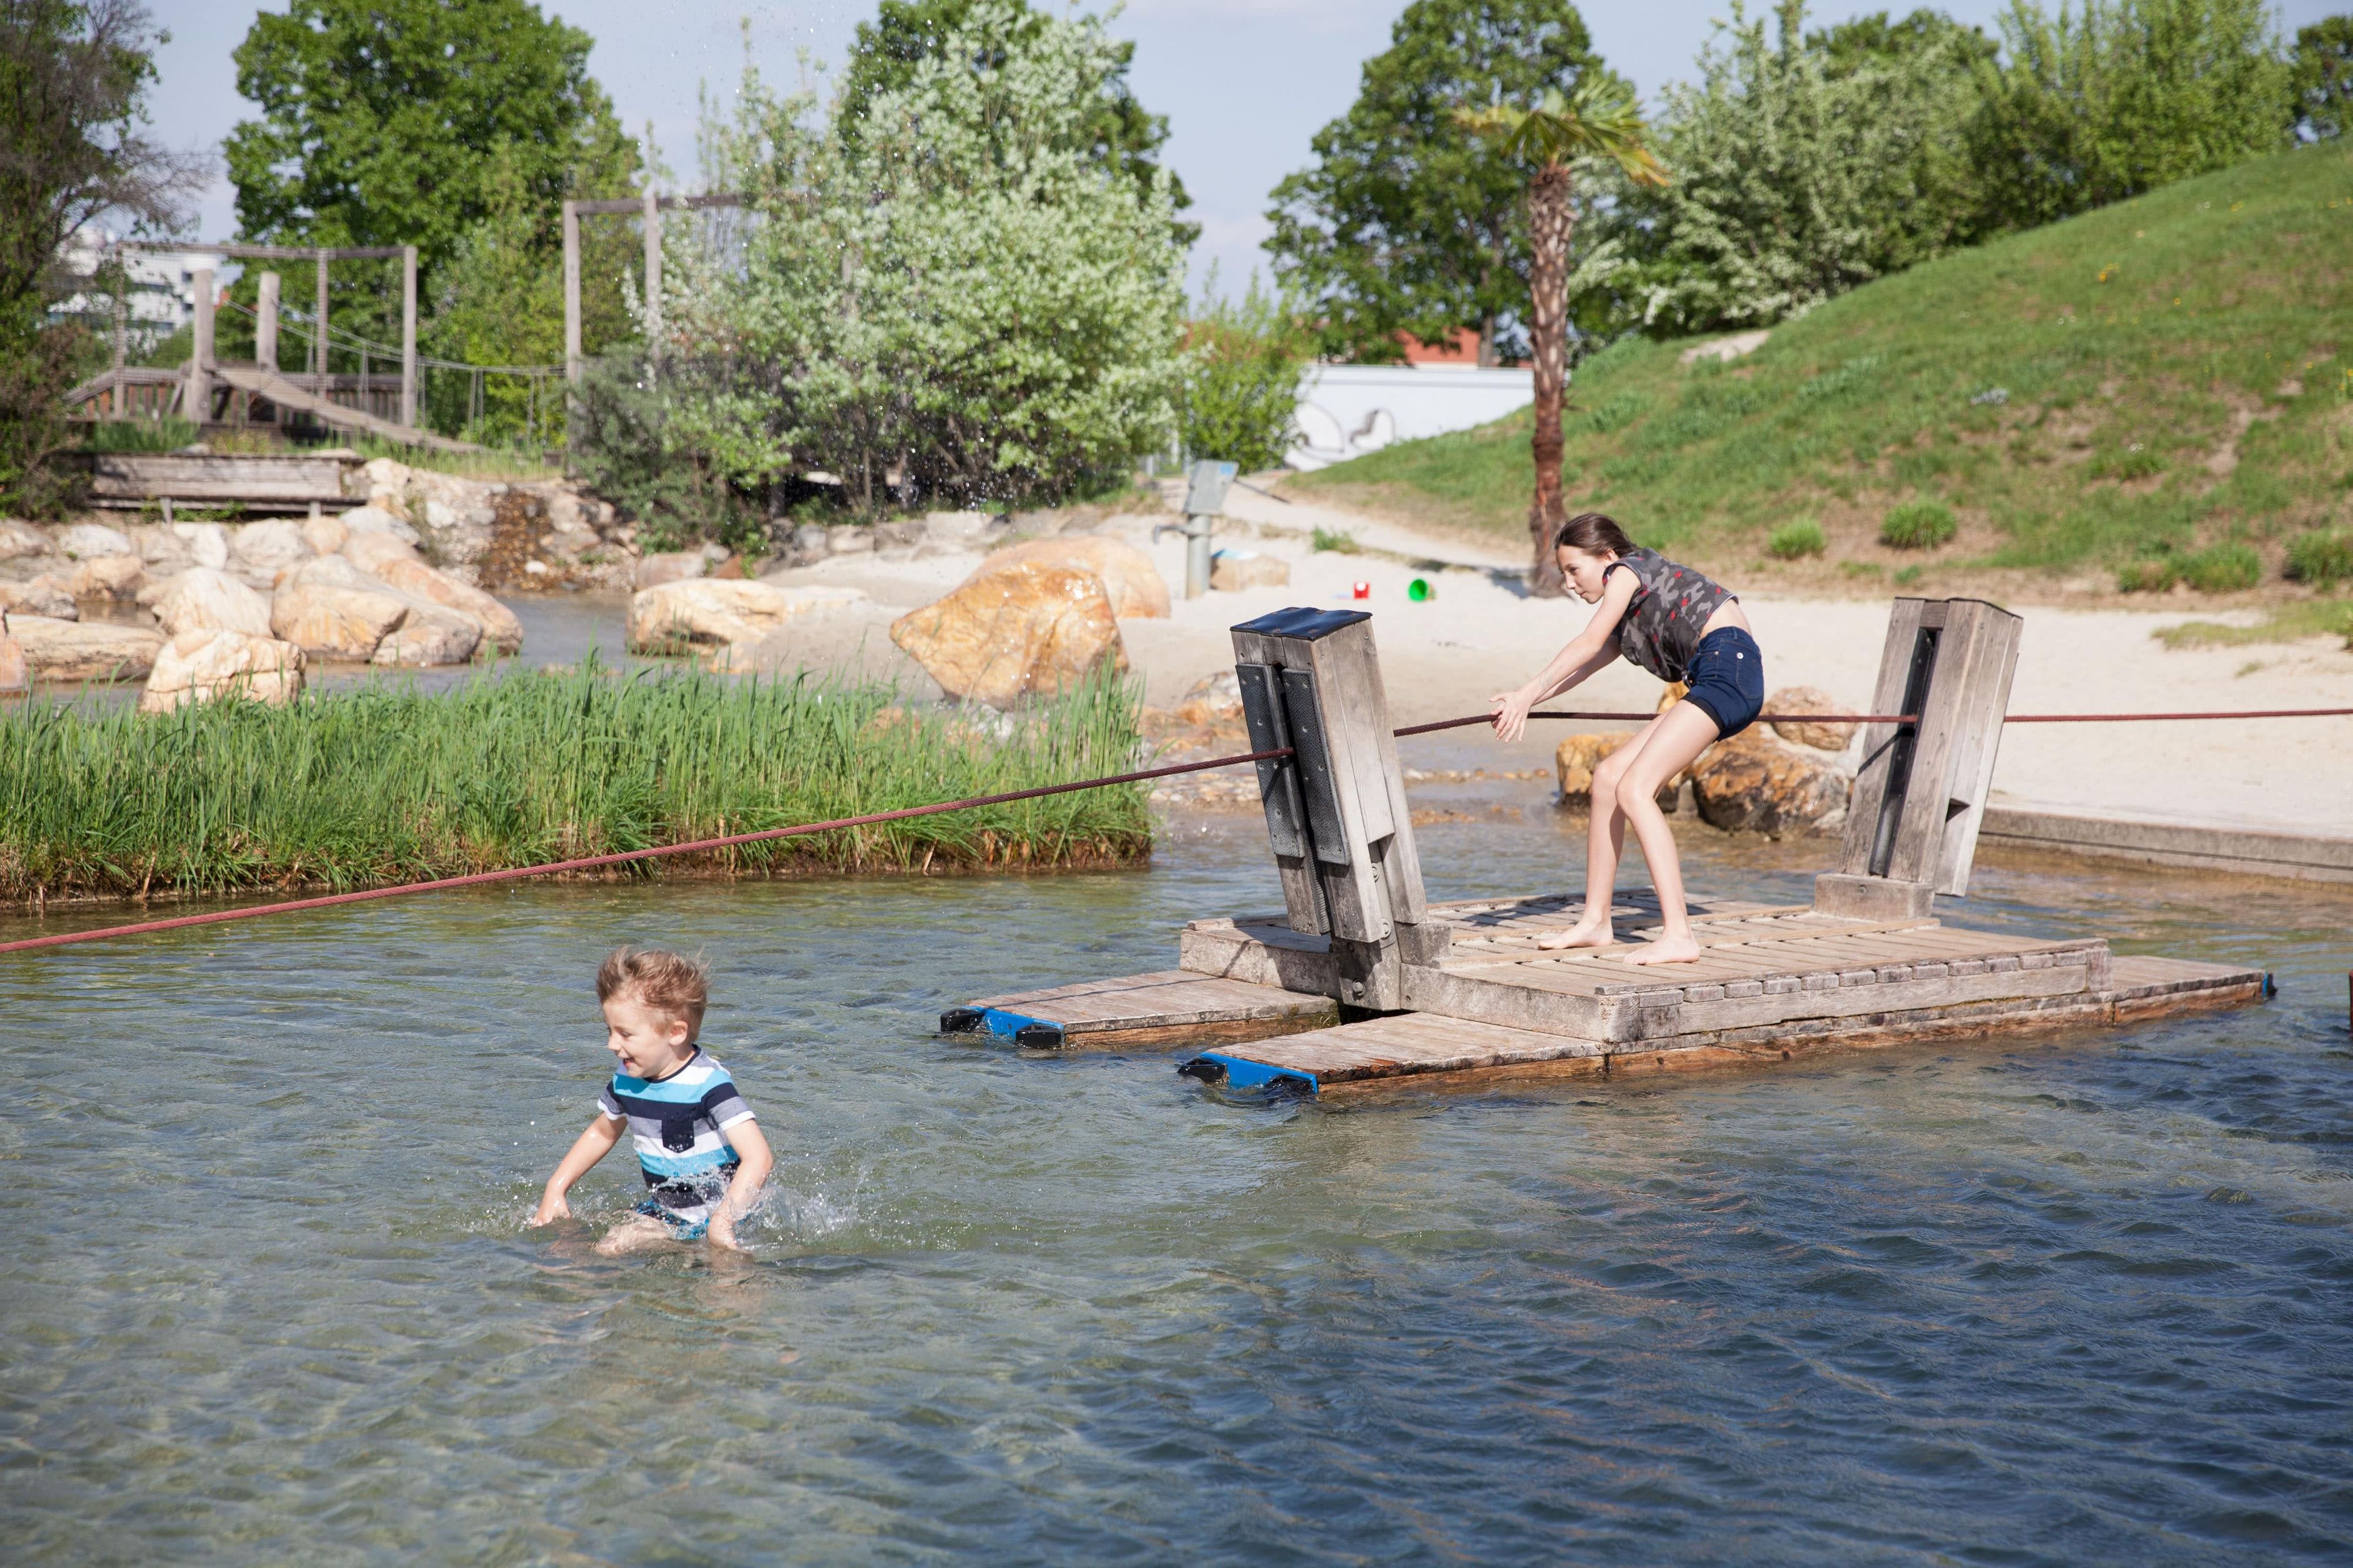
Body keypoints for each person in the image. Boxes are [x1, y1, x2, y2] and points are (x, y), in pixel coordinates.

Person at [1490, 513, 1764, 963]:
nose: (1569, 583)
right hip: (1711, 679)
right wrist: (1525, 701)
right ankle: (1597, 921)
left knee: (1636, 789)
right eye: (1563, 574)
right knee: (1608, 778)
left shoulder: (1627, 572)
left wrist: (1526, 693)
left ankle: (1679, 935)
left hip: (1728, 671)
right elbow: (1586, 663)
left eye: (1574, 570)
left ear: (1607, 556)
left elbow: (1587, 639)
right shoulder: (1628, 613)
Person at [532, 947, 774, 1254]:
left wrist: (724, 1221)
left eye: (625, 1034)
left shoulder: (709, 1084)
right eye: (609, 1031)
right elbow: (603, 1132)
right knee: (579, 1244)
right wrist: (556, 1187)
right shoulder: (627, 1081)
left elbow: (759, 1157)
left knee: (721, 1281)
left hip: (728, 1219)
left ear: (675, 1032)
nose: (612, 1045)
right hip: (667, 1215)